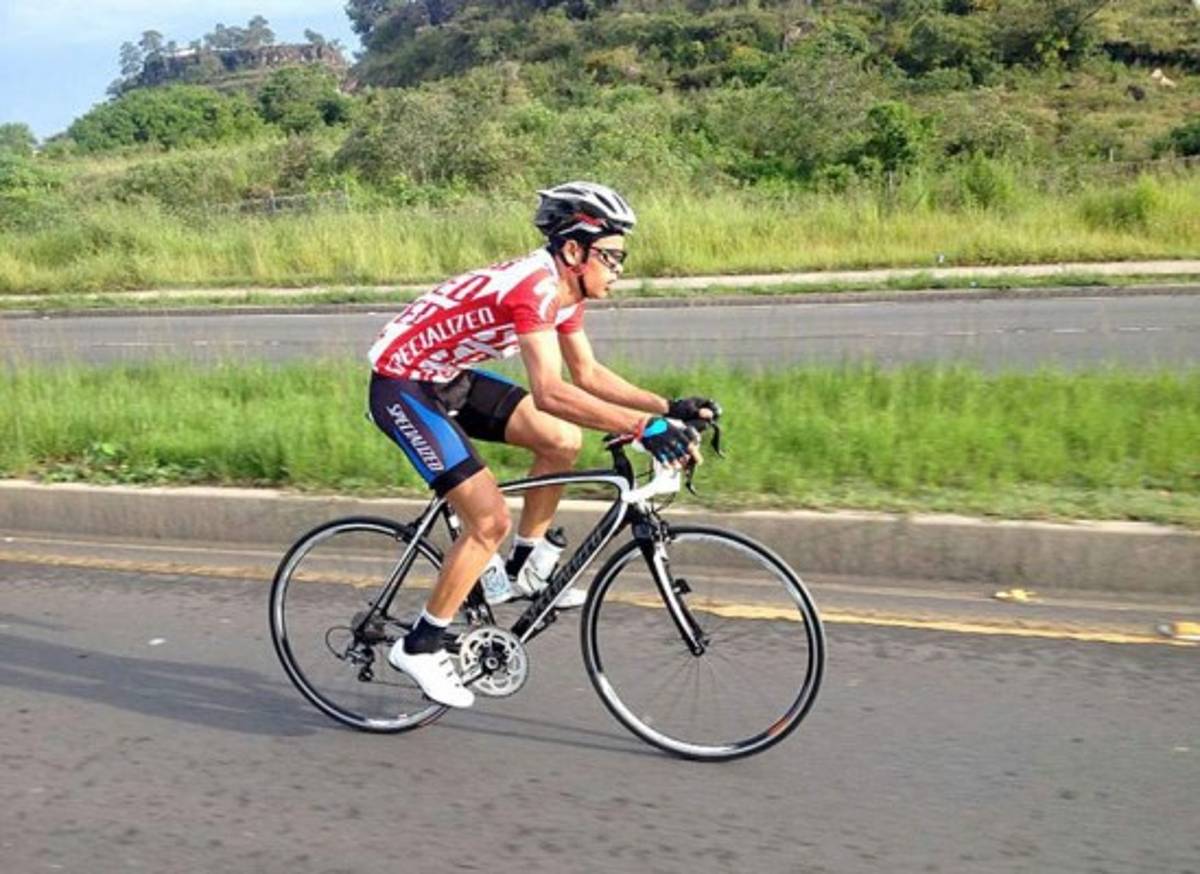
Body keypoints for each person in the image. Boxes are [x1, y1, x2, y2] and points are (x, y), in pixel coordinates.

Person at [366, 181, 718, 708]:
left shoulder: (563, 291)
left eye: (623, 257)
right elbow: (551, 391)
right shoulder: (533, 289)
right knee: (488, 521)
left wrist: (666, 409)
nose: (620, 268)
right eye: (612, 256)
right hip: (402, 385)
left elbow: (588, 373)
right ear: (573, 251)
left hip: (447, 376)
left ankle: (523, 569)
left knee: (560, 440)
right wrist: (646, 431)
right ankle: (419, 647)